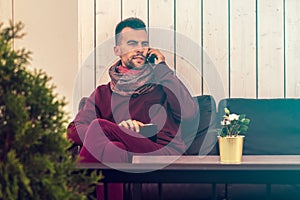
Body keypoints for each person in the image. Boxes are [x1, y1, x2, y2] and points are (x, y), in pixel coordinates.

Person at [67, 17, 198, 200]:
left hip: (162, 151)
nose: (139, 49)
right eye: (132, 43)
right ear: (117, 50)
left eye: (144, 44)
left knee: (99, 127)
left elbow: (190, 114)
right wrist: (118, 132)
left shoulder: (163, 84)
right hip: (126, 153)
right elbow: (74, 130)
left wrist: (162, 67)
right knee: (115, 146)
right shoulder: (103, 94)